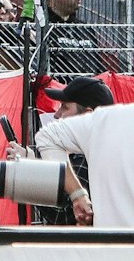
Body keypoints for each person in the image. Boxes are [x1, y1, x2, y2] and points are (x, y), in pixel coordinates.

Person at [8, 76, 116, 226]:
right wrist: (33, 165)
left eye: (64, 107)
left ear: (88, 115)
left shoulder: (86, 158)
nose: (57, 114)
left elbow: (63, 217)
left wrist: (29, 172)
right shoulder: (106, 149)